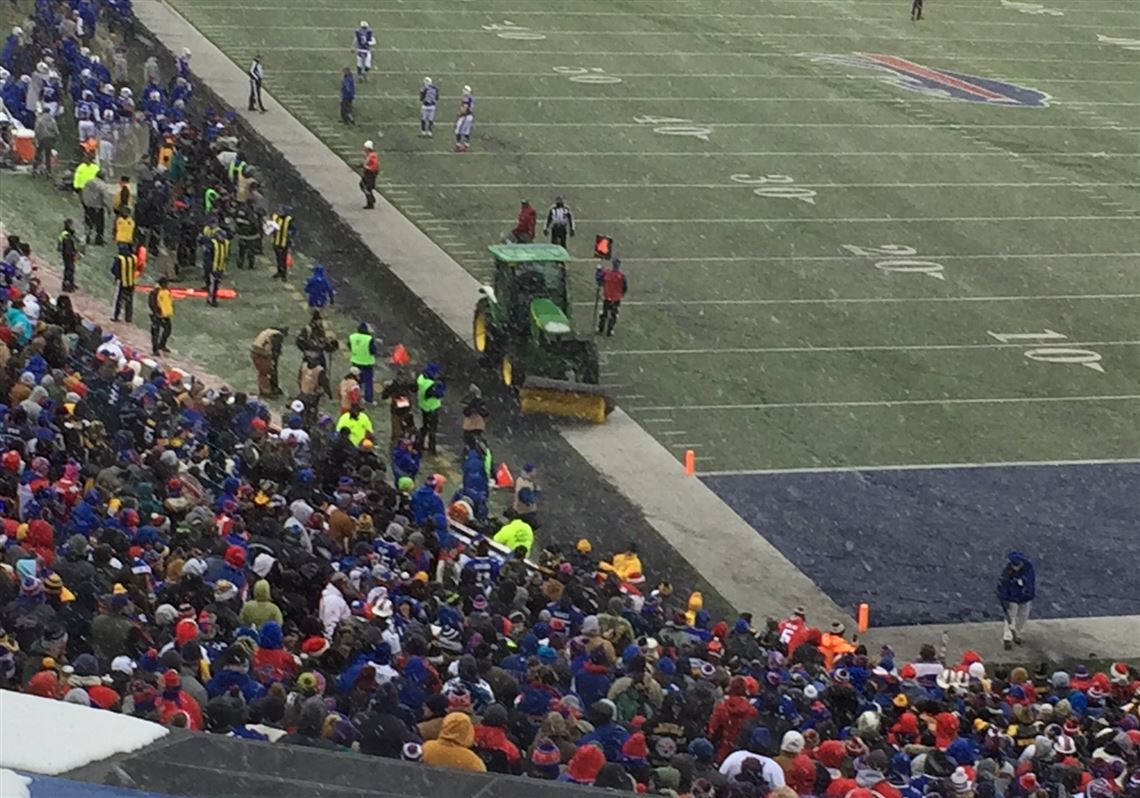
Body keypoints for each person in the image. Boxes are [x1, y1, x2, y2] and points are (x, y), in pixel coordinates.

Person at [997, 550, 1035, 649]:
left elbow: (1029, 584)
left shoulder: (1029, 570)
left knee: (1023, 616)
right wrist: (1004, 598)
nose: (1015, 567)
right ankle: (1007, 638)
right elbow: (1003, 585)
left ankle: (1016, 633)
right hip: (1012, 597)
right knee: (1010, 616)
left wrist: (1022, 584)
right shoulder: (1007, 571)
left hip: (1025, 597)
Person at [416, 361, 446, 454]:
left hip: (424, 407)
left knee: (425, 427)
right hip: (432, 408)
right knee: (432, 430)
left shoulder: (421, 379)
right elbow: (439, 394)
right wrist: (442, 385)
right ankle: (431, 449)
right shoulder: (431, 384)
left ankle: (420, 445)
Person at [251, 327, 288, 397]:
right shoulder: (278, 335)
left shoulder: (268, 331)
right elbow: (276, 350)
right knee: (264, 373)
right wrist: (274, 361)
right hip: (262, 354)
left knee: (262, 372)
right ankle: (266, 391)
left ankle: (263, 389)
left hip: (255, 352)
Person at [348, 321, 379, 403]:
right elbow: (373, 351)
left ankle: (355, 397)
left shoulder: (352, 337)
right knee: (368, 382)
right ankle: (368, 399)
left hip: (355, 361)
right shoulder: (369, 339)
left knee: (356, 380)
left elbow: (349, 346)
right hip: (367, 363)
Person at [595, 258, 627, 336]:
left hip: (607, 297)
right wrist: (622, 293)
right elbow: (625, 287)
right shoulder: (621, 276)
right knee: (613, 314)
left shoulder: (607, 273)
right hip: (616, 298)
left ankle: (601, 328)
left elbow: (598, 279)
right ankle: (610, 330)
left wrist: (598, 270)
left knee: (604, 313)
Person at [110, 242, 138, 322]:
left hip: (121, 282)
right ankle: (128, 318)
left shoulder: (119, 259)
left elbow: (113, 270)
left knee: (118, 300)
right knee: (129, 301)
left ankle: (115, 316)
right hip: (131, 282)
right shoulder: (134, 258)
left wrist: (118, 276)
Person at [204, 229, 230, 307]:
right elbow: (208, 258)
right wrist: (209, 269)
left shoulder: (226, 243)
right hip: (212, 267)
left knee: (216, 284)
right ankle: (212, 300)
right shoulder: (212, 244)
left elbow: (226, 255)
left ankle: (211, 298)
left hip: (220, 267)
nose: (222, 238)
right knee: (213, 284)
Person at [148, 277, 173, 355]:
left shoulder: (167, 291)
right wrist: (156, 312)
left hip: (165, 315)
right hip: (157, 315)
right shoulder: (155, 292)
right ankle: (155, 350)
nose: (167, 285)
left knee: (168, 330)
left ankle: (162, 345)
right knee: (155, 333)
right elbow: (151, 303)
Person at [269, 206, 294, 280]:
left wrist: (290, 235)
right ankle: (279, 271)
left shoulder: (288, 220)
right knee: (278, 258)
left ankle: (284, 274)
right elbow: (270, 226)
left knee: (283, 259)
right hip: (276, 241)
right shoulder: (275, 217)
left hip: (284, 243)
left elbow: (293, 230)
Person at [33, 105, 57, 176]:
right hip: (50, 139)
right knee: (48, 155)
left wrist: (36, 138)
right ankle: (48, 171)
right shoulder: (52, 120)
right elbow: (56, 131)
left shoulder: (39, 119)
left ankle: (35, 168)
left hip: (42, 139)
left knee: (38, 153)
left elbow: (36, 130)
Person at [58, 218, 79, 292]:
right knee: (69, 270)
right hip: (67, 254)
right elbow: (67, 246)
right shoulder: (66, 235)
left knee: (71, 269)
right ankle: (67, 286)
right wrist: (72, 253)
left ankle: (71, 283)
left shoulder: (68, 233)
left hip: (68, 254)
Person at [454, 84, 474, 153]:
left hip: (465, 116)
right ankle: (465, 145)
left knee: (458, 130)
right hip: (469, 116)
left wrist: (460, 114)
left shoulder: (466, 98)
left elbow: (465, 107)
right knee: (466, 131)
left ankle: (459, 145)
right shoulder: (471, 98)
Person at [360, 141, 378, 210]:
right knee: (363, 185)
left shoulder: (372, 156)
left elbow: (373, 165)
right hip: (369, 172)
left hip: (370, 173)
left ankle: (370, 201)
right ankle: (371, 199)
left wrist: (366, 167)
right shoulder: (370, 155)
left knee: (366, 187)